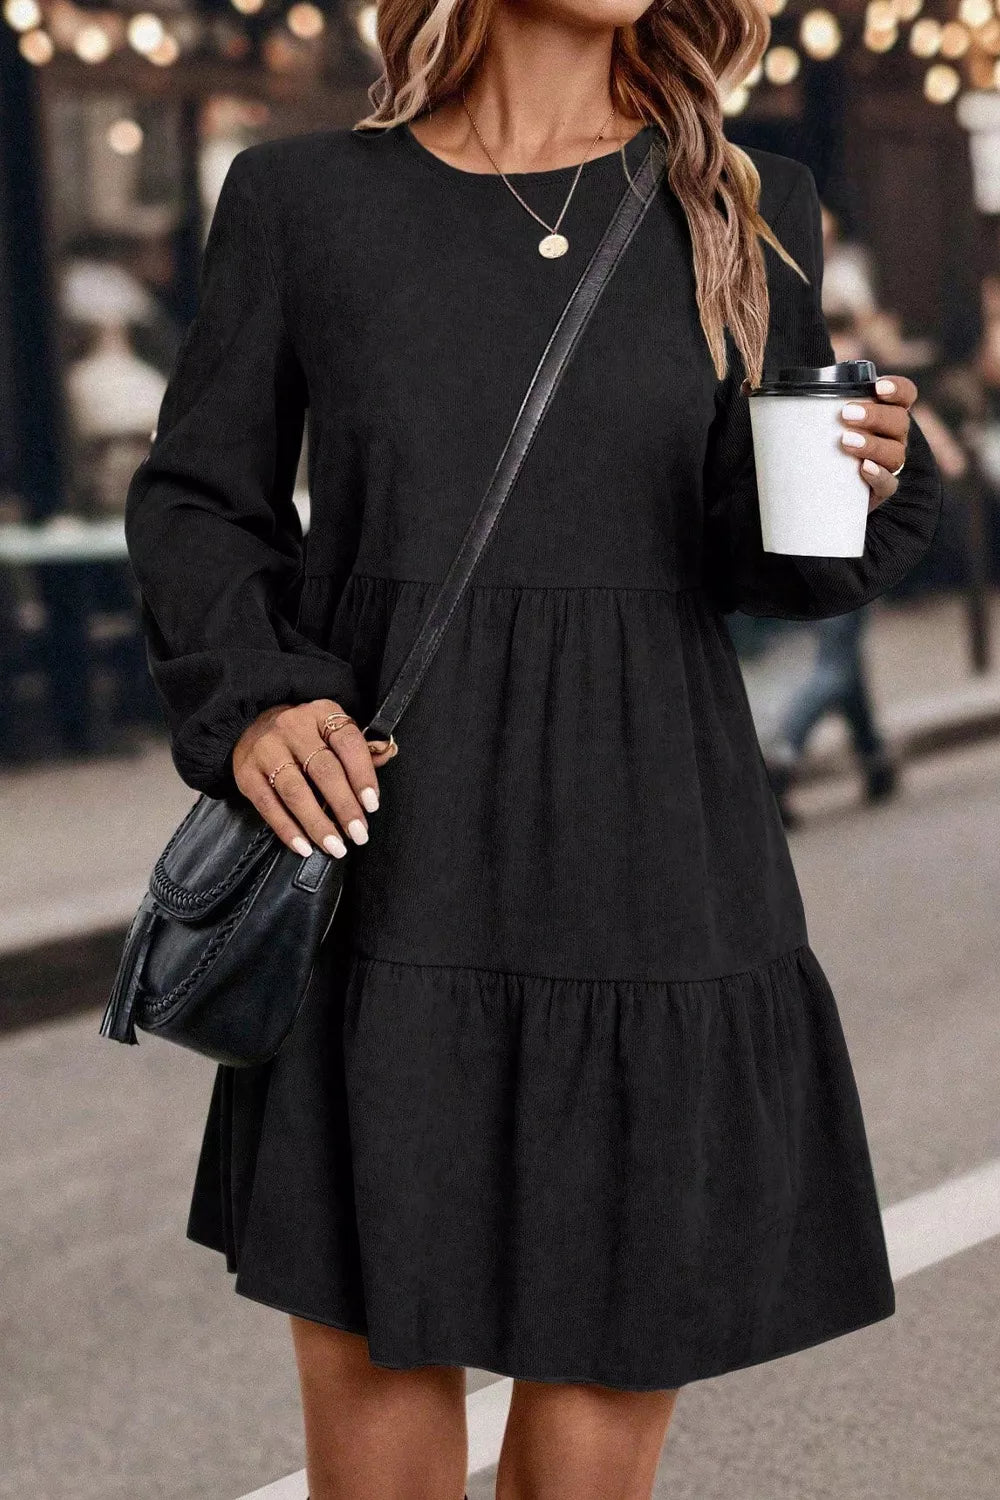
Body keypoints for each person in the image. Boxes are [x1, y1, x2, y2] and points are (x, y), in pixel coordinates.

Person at [121, 2, 943, 1496]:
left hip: (654, 860)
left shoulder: (745, 204)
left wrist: (868, 483)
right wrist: (259, 699)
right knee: (376, 1434)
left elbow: (759, 548)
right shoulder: (304, 200)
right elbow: (198, 498)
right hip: (393, 861)